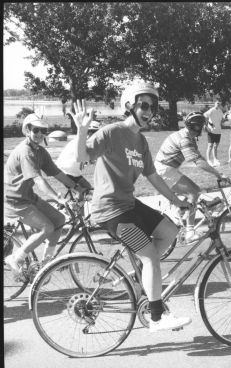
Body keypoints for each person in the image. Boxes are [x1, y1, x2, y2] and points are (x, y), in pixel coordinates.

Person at [73, 82, 194, 332]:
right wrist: (82, 131)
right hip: (110, 210)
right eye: (144, 105)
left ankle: (142, 281)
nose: (149, 111)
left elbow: (155, 178)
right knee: (151, 257)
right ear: (130, 105)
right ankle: (157, 317)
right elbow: (83, 157)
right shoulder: (112, 133)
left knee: (169, 232)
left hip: (128, 204)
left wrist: (178, 201)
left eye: (153, 107)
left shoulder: (141, 142)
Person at [4, 113, 82, 275]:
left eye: (43, 130)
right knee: (47, 227)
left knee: (60, 220)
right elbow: (39, 180)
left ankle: (46, 264)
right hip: (14, 200)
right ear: (27, 130)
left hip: (28, 196)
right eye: (36, 130)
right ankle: (15, 258)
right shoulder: (26, 152)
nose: (39, 134)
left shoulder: (40, 151)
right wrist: (57, 197)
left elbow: (57, 173)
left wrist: (76, 187)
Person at [155, 111, 230, 243]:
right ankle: (190, 232)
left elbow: (199, 157)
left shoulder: (188, 136)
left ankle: (180, 215)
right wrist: (218, 174)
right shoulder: (185, 139)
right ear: (197, 127)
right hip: (165, 170)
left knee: (191, 193)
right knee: (194, 191)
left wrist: (215, 172)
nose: (203, 129)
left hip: (166, 169)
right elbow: (198, 162)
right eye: (202, 126)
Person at [203, 101, 224, 167]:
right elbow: (204, 115)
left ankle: (215, 160)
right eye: (217, 103)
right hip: (211, 131)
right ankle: (208, 161)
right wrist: (206, 125)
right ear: (214, 104)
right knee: (210, 146)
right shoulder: (212, 110)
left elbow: (222, 120)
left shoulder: (220, 111)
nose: (218, 104)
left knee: (215, 146)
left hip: (218, 131)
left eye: (219, 103)